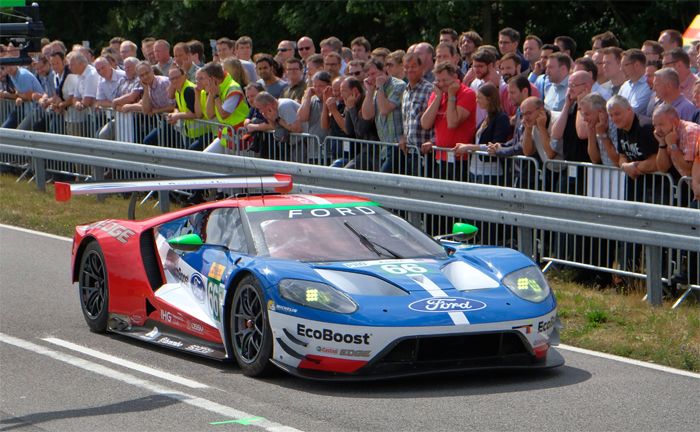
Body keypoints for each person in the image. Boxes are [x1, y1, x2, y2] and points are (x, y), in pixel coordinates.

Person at [420, 62, 476, 181]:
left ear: (455, 78)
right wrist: (438, 97)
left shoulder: (467, 94)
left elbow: (452, 123)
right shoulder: (438, 94)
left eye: (445, 80)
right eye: (438, 81)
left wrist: (451, 95)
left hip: (461, 159)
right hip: (441, 156)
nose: (441, 84)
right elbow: (425, 124)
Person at [455, 83, 510, 185]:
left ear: (489, 99)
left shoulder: (501, 118)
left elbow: (495, 145)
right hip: (475, 169)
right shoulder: (486, 118)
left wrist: (468, 147)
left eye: (479, 98)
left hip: (490, 172)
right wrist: (465, 147)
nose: (477, 100)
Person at [361, 58, 406, 172]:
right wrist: (370, 92)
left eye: (373, 73)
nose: (371, 78)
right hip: (384, 147)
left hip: (398, 145)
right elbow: (367, 115)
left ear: (384, 70)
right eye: (368, 75)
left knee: (382, 181)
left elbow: (385, 109)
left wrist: (379, 87)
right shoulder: (375, 89)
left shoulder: (398, 85)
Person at [201, 62, 250, 154]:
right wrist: (212, 93)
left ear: (212, 79)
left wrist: (216, 96)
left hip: (240, 137)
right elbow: (210, 115)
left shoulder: (233, 88)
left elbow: (224, 114)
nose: (202, 82)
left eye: (203, 78)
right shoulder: (217, 87)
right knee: (205, 157)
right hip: (226, 136)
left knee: (237, 167)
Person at [654, 103, 699, 178]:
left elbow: (689, 170)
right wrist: (662, 144)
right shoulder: (668, 135)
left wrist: (673, 145)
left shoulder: (690, 132)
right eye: (655, 125)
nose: (657, 130)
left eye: (661, 124)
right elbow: (663, 169)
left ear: (675, 122)